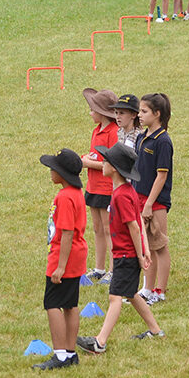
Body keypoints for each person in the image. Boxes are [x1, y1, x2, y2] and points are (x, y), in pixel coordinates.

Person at [77, 143, 163, 353]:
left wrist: (142, 254)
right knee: (131, 293)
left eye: (105, 161)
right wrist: (145, 250)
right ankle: (155, 330)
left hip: (125, 255)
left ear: (114, 168)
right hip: (130, 253)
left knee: (115, 297)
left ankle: (100, 342)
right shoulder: (128, 191)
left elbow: (134, 227)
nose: (102, 163)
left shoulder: (120, 196)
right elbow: (139, 221)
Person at [33, 148, 87, 370]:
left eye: (53, 168)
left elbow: (67, 232)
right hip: (76, 255)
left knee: (52, 304)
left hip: (63, 256)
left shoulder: (64, 197)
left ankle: (60, 355)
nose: (50, 171)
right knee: (70, 304)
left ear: (62, 174)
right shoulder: (75, 194)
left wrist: (60, 267)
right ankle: (71, 352)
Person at [134, 93, 173, 304]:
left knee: (159, 245)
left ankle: (160, 290)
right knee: (146, 246)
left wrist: (149, 204)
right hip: (139, 197)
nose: (139, 115)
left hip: (155, 201)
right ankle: (147, 288)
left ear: (157, 114)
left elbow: (162, 175)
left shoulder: (163, 141)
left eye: (144, 111)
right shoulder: (141, 137)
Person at [80, 88, 118, 283]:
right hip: (93, 186)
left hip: (106, 188)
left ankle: (113, 270)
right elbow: (96, 156)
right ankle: (99, 268)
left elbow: (111, 164)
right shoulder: (96, 131)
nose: (90, 113)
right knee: (96, 228)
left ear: (102, 112)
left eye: (92, 109)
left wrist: (88, 163)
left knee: (108, 228)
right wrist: (85, 159)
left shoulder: (114, 132)